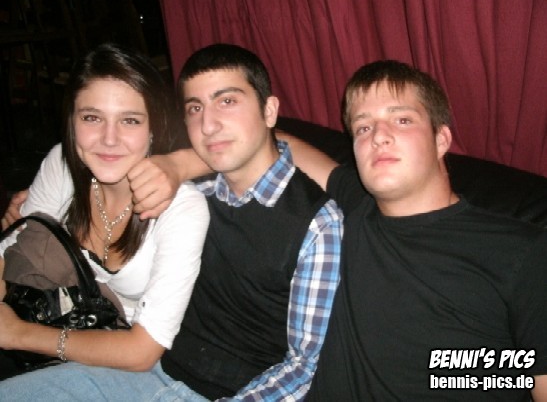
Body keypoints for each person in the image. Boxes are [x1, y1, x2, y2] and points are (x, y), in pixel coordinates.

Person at [123, 59, 547, 400]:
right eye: (363, 126)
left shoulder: (521, 251)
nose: (379, 136)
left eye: (401, 120)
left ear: (441, 139)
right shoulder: (354, 206)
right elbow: (266, 142)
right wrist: (178, 164)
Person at [0, 43, 343, 401]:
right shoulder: (194, 189)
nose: (208, 124)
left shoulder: (318, 225)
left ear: (270, 110)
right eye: (195, 108)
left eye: (227, 101)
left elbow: (305, 366)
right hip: (151, 372)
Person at [0, 43, 209, 376]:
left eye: (130, 120)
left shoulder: (182, 208)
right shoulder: (63, 164)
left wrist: (20, 335)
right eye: (92, 118)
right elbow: (12, 248)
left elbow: (143, 351)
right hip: (50, 320)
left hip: (126, 362)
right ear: (71, 121)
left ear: (153, 129)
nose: (109, 139)